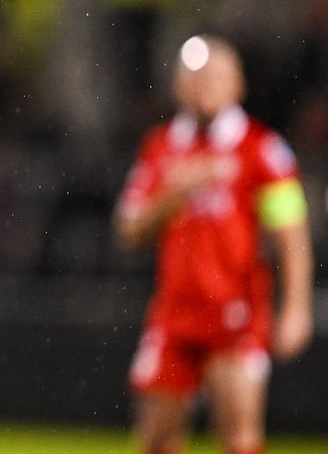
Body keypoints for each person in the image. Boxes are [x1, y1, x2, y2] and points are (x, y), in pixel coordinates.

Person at [113, 34, 314, 454]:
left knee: (239, 437)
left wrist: (296, 306)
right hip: (175, 313)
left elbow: (291, 234)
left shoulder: (262, 150)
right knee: (155, 439)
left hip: (235, 313)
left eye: (215, 75)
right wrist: (173, 194)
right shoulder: (162, 147)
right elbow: (128, 230)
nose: (204, 85)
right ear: (178, 86)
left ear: (237, 85)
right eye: (195, 75)